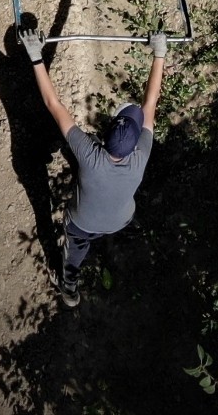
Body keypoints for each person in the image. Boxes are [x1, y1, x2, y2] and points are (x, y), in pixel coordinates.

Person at [21, 28, 169, 307]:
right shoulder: (142, 154)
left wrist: (35, 57)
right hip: (120, 220)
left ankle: (69, 288)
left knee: (74, 252)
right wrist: (159, 52)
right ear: (136, 140)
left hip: (82, 223)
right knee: (105, 212)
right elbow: (151, 103)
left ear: (107, 133)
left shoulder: (90, 154)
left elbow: (53, 105)